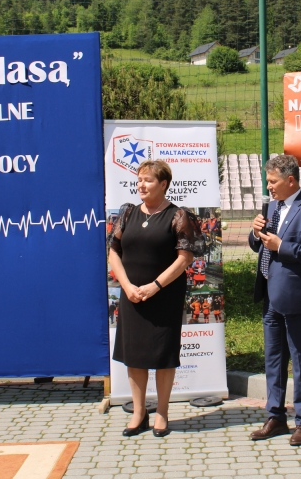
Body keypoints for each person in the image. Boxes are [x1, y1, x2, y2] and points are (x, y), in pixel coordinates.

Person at [108, 159, 204, 438]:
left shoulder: (178, 216)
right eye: (139, 180)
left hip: (164, 297)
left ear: (163, 184)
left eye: (147, 180)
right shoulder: (127, 213)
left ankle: (162, 412)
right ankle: (139, 413)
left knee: (163, 356)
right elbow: (113, 252)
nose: (141, 185)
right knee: (135, 356)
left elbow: (185, 258)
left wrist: (155, 286)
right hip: (132, 297)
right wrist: (127, 286)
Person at [248, 154, 301, 446]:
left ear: (290, 180)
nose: (269, 187)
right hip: (270, 296)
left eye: (273, 181)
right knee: (273, 360)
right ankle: (275, 417)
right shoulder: (271, 207)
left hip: (298, 299)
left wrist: (282, 245)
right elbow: (258, 245)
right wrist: (255, 233)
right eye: (268, 181)